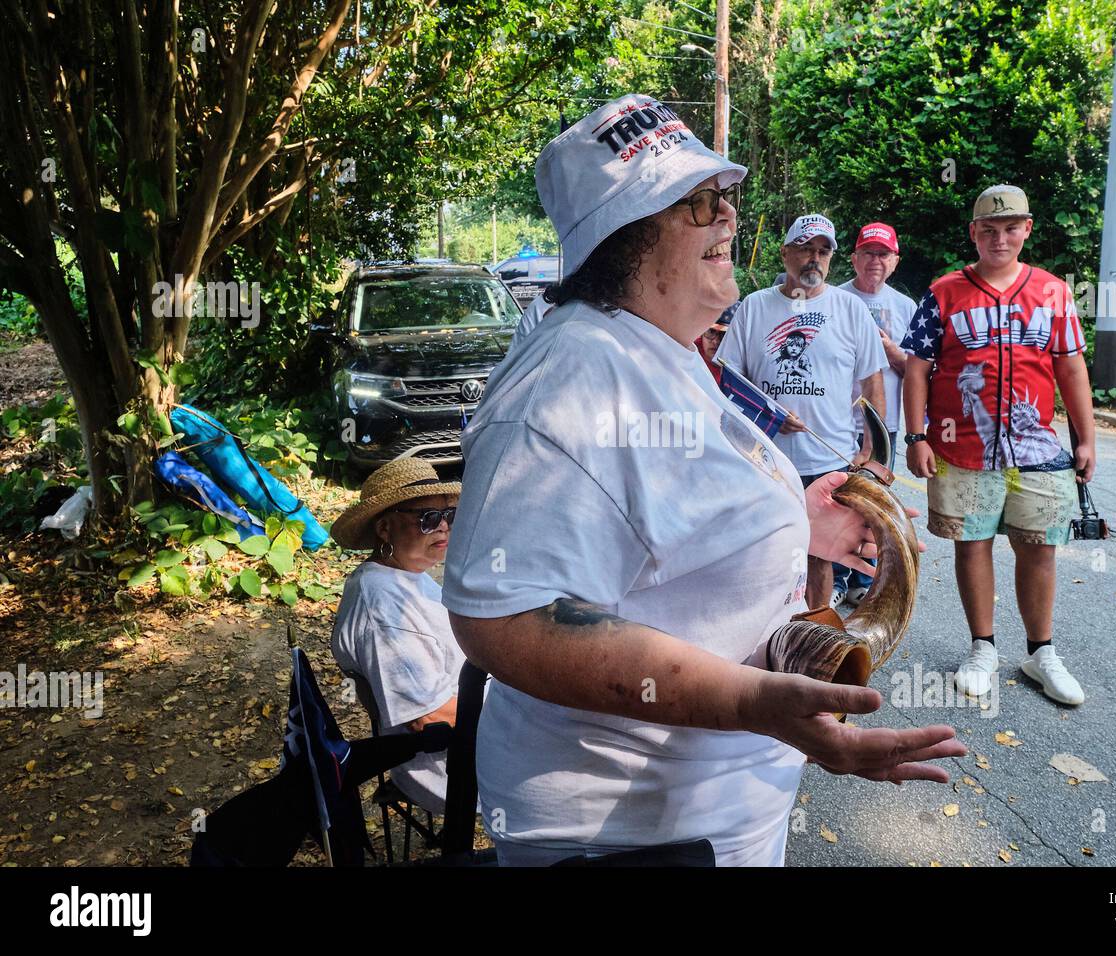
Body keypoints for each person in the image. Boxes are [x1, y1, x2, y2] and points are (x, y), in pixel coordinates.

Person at [442, 94, 963, 867]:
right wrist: (752, 701)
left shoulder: (666, 347)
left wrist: (794, 515)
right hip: (630, 835)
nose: (727, 218)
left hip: (708, 811)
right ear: (621, 238)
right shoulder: (568, 378)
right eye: (698, 203)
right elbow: (502, 619)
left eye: (726, 196)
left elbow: (664, 509)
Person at [900, 184, 1097, 706]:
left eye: (1011, 228)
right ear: (974, 233)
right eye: (989, 230)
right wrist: (917, 435)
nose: (1000, 238)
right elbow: (917, 367)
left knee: (1039, 547)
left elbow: (1070, 365)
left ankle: (1041, 652)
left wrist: (1087, 438)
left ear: (1027, 230)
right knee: (973, 543)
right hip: (961, 448)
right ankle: (982, 647)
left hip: (1034, 450)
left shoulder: (1053, 292)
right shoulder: (944, 292)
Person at [716, 213, 888, 610]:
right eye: (805, 248)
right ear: (785, 252)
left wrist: (872, 451)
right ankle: (763, 630)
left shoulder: (850, 309)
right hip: (762, 457)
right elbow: (728, 380)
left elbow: (871, 382)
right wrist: (766, 414)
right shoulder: (754, 308)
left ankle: (816, 630)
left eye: (823, 251)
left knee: (818, 555)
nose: (814, 258)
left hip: (827, 457)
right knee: (762, 548)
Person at [330, 458, 466, 812]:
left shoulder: (405, 575)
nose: (443, 529)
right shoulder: (382, 607)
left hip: (472, 735)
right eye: (427, 518)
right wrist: (525, 709)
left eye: (448, 516)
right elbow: (429, 717)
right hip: (448, 766)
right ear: (385, 529)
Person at [839, 222, 916, 472]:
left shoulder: (906, 307)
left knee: (873, 499)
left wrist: (891, 351)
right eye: (868, 253)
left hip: (884, 426)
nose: (875, 260)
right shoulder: (834, 300)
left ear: (895, 261)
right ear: (854, 259)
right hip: (837, 424)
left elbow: (918, 374)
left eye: (883, 254)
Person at [695, 301, 738, 387]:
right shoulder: (688, 351)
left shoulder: (743, 365)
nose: (715, 341)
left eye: (724, 334)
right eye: (711, 331)